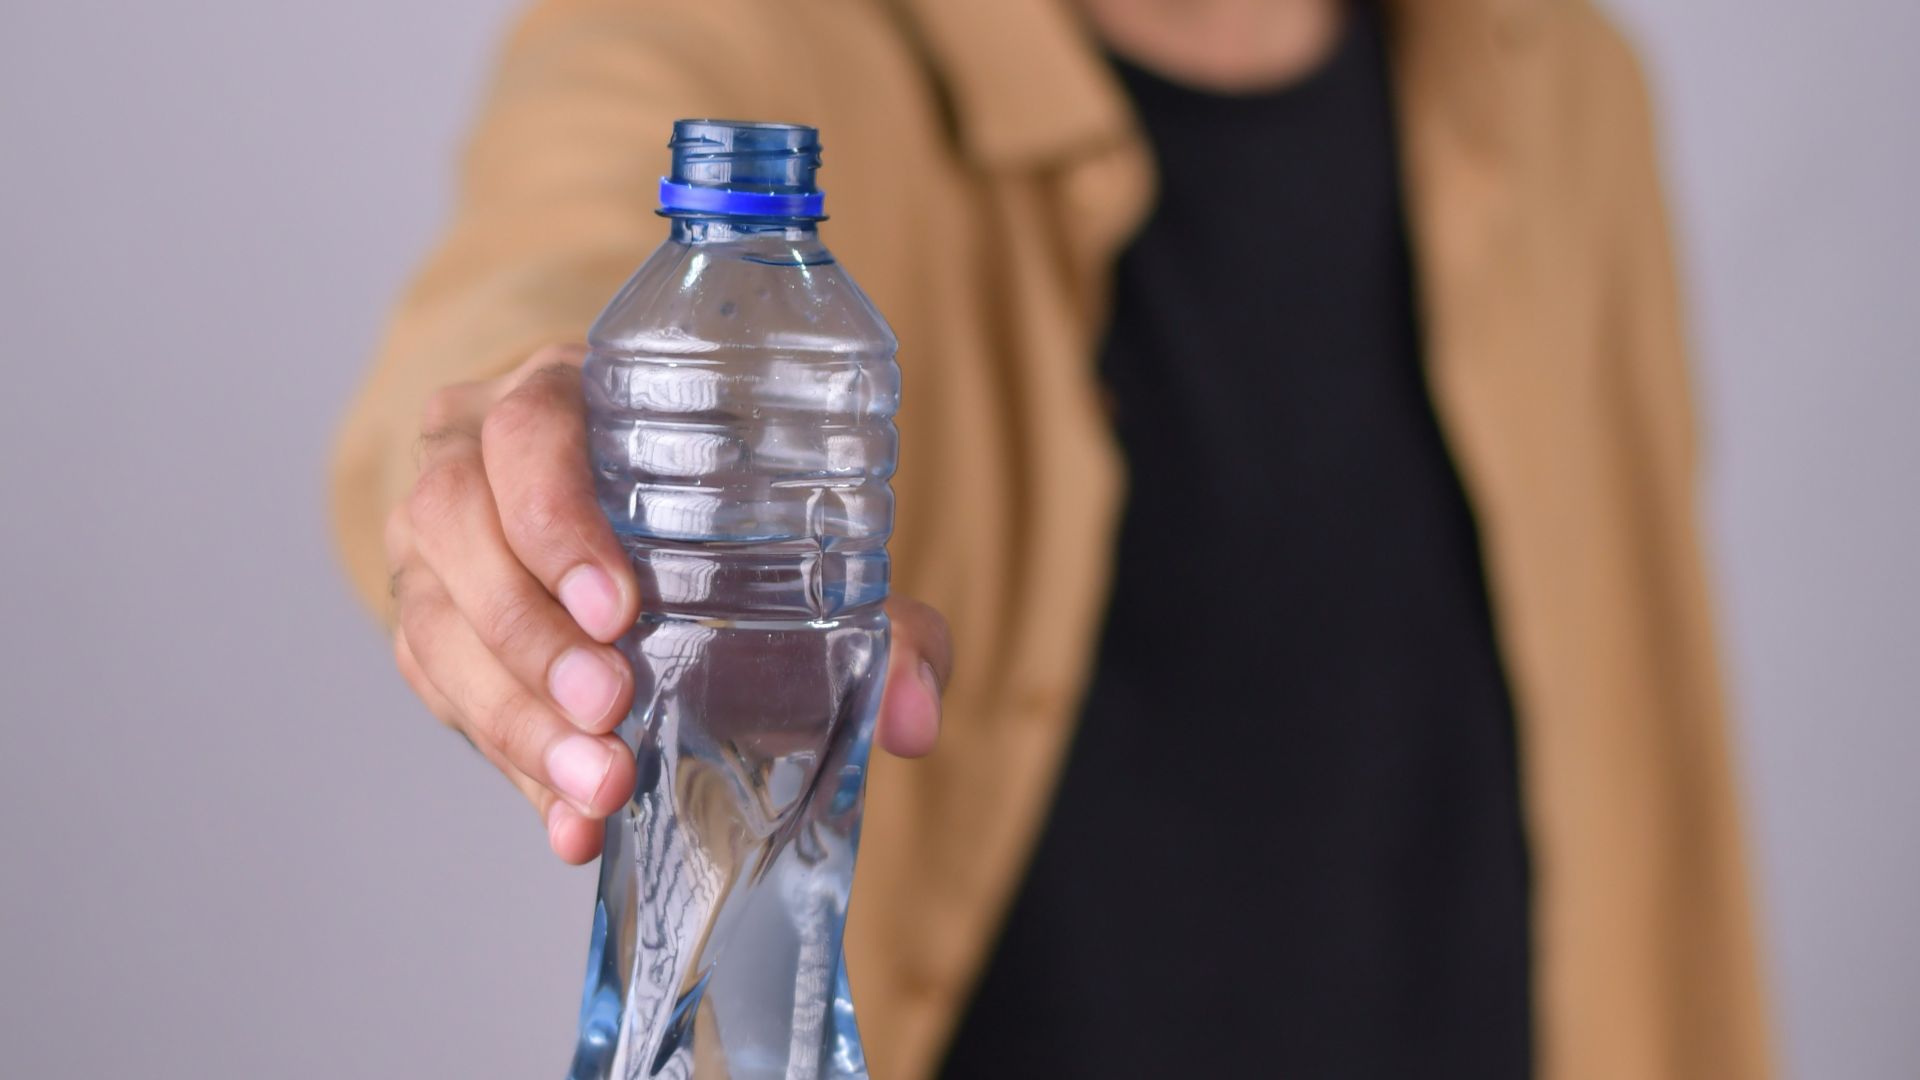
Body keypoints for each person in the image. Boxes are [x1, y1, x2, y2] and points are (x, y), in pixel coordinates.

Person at [331, 0, 1771, 1076]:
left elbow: (1646, 783)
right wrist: (524, 454)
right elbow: (530, 284)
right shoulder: (743, 33)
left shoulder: (1563, 86)